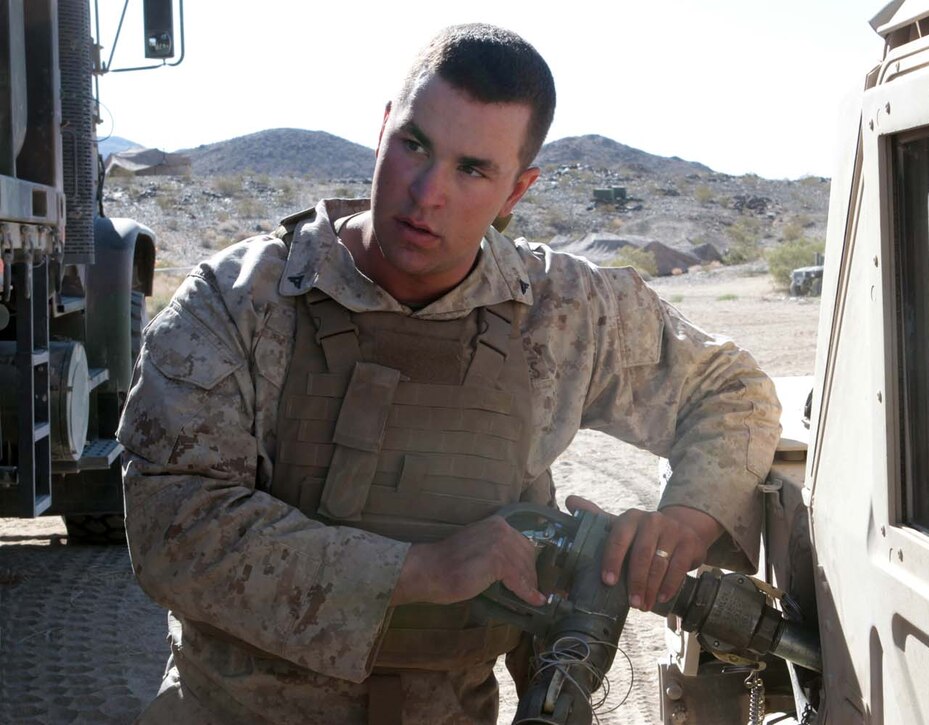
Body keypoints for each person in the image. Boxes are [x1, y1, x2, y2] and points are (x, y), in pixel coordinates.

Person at [119, 23, 781, 724]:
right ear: (381, 132)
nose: (426, 192)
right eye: (415, 146)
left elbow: (731, 390)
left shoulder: (559, 311)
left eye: (473, 169)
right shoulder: (239, 300)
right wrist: (422, 570)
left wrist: (682, 520)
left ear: (515, 190)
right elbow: (173, 530)